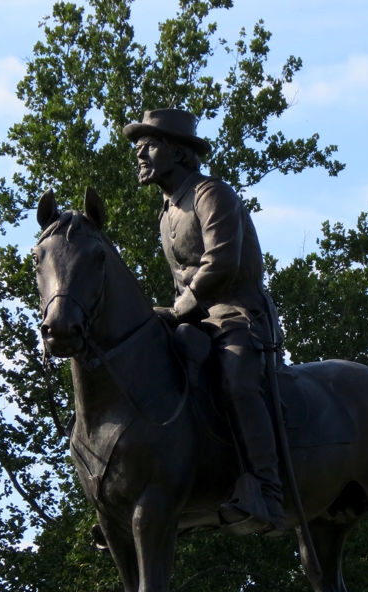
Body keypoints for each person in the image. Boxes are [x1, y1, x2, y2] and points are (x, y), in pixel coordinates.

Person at [124, 108, 284, 535]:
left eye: (150, 145)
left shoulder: (211, 194)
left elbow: (222, 263)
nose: (139, 154)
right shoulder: (167, 211)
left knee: (236, 382)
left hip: (239, 314)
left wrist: (180, 309)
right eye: (138, 146)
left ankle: (268, 491)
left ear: (178, 152)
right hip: (195, 318)